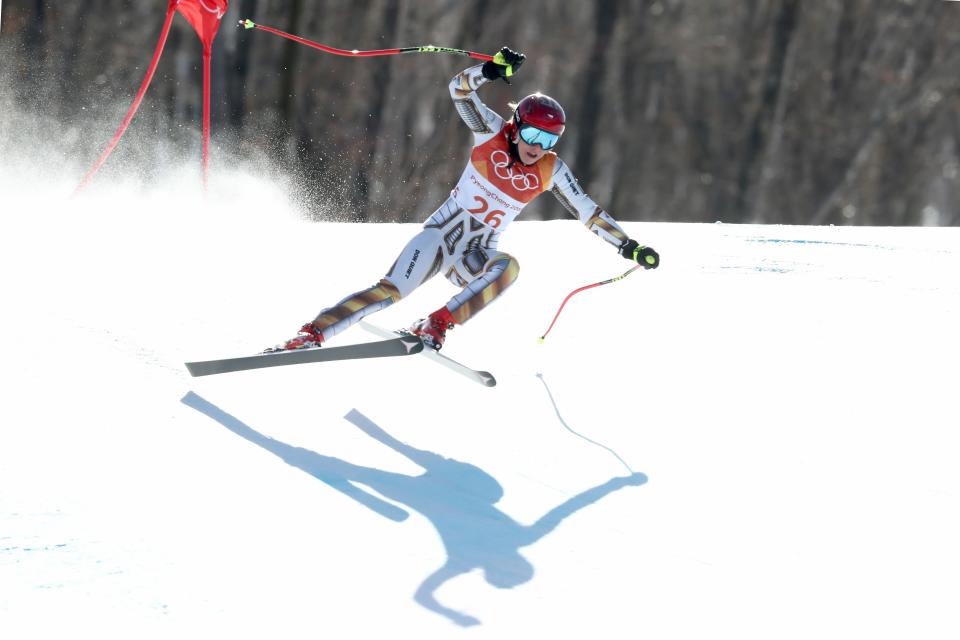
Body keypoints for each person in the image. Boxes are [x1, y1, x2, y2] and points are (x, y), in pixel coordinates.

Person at [268, 47, 659, 353]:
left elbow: (589, 212)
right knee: (389, 292)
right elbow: (458, 90)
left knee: (508, 268)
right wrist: (490, 71)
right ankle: (311, 333)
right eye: (534, 137)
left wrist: (628, 246)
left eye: (550, 141)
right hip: (438, 239)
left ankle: (435, 323)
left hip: (474, 255)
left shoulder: (551, 171)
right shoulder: (491, 131)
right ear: (517, 126)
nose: (539, 148)